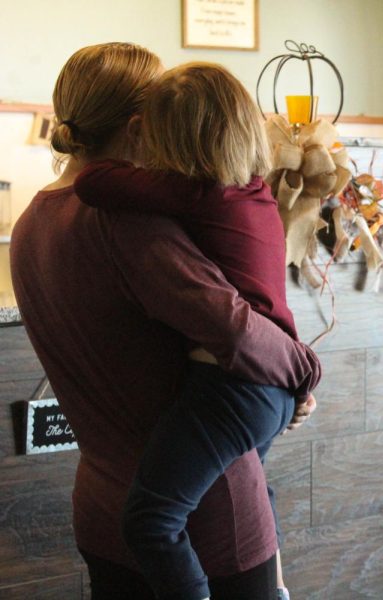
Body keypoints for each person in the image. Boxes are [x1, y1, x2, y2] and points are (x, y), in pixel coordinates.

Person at [10, 43, 315, 600]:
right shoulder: (126, 223)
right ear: (137, 126)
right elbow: (234, 328)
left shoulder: (31, 223)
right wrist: (301, 375)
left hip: (102, 512)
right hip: (205, 526)